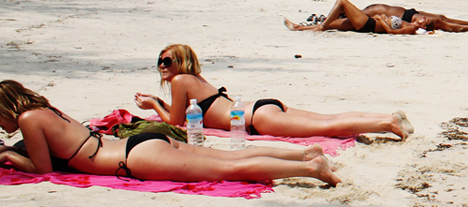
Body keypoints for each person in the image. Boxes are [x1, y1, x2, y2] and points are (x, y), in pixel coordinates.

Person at [0, 80, 340, 185]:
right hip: (139, 144)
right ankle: (305, 154)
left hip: (133, 158)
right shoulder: (47, 109)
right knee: (229, 156)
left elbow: (43, 168)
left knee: (228, 170)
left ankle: (310, 169)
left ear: (5, 107)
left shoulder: (28, 120)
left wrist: (7, 155)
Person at [134, 45, 413, 141]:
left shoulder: (181, 81)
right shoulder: (193, 78)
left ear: (180, 62)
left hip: (257, 118)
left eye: (167, 61)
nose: (161, 65)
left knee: (328, 126)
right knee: (327, 118)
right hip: (260, 107)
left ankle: (386, 124)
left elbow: (175, 121)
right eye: (159, 60)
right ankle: (387, 116)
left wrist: (154, 104)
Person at [284, 0, 432, 35]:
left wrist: (381, 19)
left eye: (424, 19)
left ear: (422, 26)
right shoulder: (408, 23)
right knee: (332, 23)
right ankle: (299, 27)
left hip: (369, 25)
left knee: (342, 2)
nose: (422, 17)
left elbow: (391, 32)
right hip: (367, 24)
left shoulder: (411, 29)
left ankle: (321, 26)